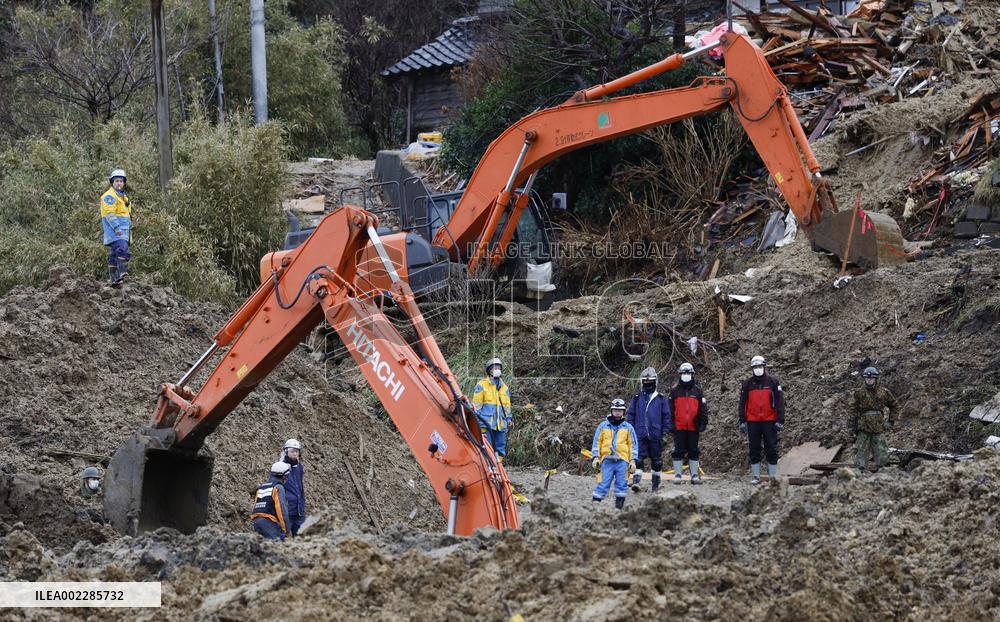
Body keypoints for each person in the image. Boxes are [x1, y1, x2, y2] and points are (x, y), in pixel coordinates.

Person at [738, 355, 785, 484]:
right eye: (755, 367)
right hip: (753, 421)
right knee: (754, 448)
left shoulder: (773, 382)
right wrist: (742, 420)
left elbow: (780, 402)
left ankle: (773, 477)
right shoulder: (747, 384)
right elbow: (742, 403)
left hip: (769, 420)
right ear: (752, 369)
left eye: (759, 366)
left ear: (764, 366)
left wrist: (780, 420)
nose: (757, 369)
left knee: (771, 447)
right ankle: (756, 476)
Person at [626, 367, 672, 492]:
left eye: (650, 382)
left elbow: (666, 416)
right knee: (638, 459)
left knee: (657, 461)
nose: (648, 384)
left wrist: (665, 433)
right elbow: (630, 415)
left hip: (655, 434)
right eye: (645, 382)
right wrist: (630, 431)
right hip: (639, 434)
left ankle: (655, 485)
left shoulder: (661, 399)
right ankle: (636, 482)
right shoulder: (636, 398)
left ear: (655, 382)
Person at [591, 398, 638, 509]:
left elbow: (633, 445)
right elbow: (597, 442)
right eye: (615, 410)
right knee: (603, 483)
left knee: (622, 484)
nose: (617, 412)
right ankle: (594, 506)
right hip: (606, 460)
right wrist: (596, 458)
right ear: (611, 411)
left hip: (622, 461)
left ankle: (618, 509)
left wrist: (633, 460)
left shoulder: (628, 428)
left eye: (620, 410)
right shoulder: (603, 426)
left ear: (623, 412)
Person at [668, 362, 709, 485]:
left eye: (688, 373)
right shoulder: (674, 391)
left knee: (694, 450)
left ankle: (694, 475)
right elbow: (669, 409)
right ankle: (678, 475)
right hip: (679, 427)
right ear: (680, 374)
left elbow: (703, 408)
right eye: (684, 373)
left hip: (693, 427)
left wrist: (703, 422)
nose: (686, 375)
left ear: (692, 375)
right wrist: (670, 423)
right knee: (678, 450)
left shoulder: (698, 391)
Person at [850, 367, 896, 472]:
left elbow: (894, 405)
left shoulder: (883, 392)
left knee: (881, 450)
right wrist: (853, 426)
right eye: (867, 378)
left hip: (878, 426)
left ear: (876, 379)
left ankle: (883, 471)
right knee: (860, 450)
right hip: (863, 426)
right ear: (864, 379)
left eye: (871, 378)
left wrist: (891, 421)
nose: (869, 380)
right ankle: (860, 472)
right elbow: (852, 409)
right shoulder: (859, 392)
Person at [472, 357, 512, 461]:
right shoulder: (481, 385)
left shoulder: (504, 388)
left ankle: (498, 468)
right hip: (486, 424)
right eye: (494, 367)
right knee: (487, 447)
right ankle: (488, 468)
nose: (497, 369)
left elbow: (507, 406)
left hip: (500, 424)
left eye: (499, 367)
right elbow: (476, 407)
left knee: (500, 449)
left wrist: (509, 419)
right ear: (489, 370)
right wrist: (476, 421)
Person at [100, 168, 132, 286]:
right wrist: (117, 228)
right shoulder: (109, 196)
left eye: (121, 181)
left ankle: (114, 280)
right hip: (116, 232)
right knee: (122, 250)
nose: (119, 183)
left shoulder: (123, 198)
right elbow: (110, 213)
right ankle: (121, 273)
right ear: (112, 182)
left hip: (122, 233)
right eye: (117, 181)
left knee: (114, 254)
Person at [249, 462, 292, 541]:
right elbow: (281, 510)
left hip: (256, 522)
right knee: (278, 545)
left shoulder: (262, 487)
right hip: (268, 522)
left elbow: (255, 505)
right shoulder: (278, 487)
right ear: (284, 476)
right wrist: (286, 529)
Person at [280, 439, 306, 536]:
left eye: (297, 451)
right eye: (292, 451)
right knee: (281, 535)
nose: (295, 454)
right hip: (287, 510)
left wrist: (302, 504)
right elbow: (276, 487)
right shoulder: (280, 467)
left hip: (299, 510)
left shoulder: (299, 467)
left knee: (301, 536)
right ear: (286, 451)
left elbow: (300, 487)